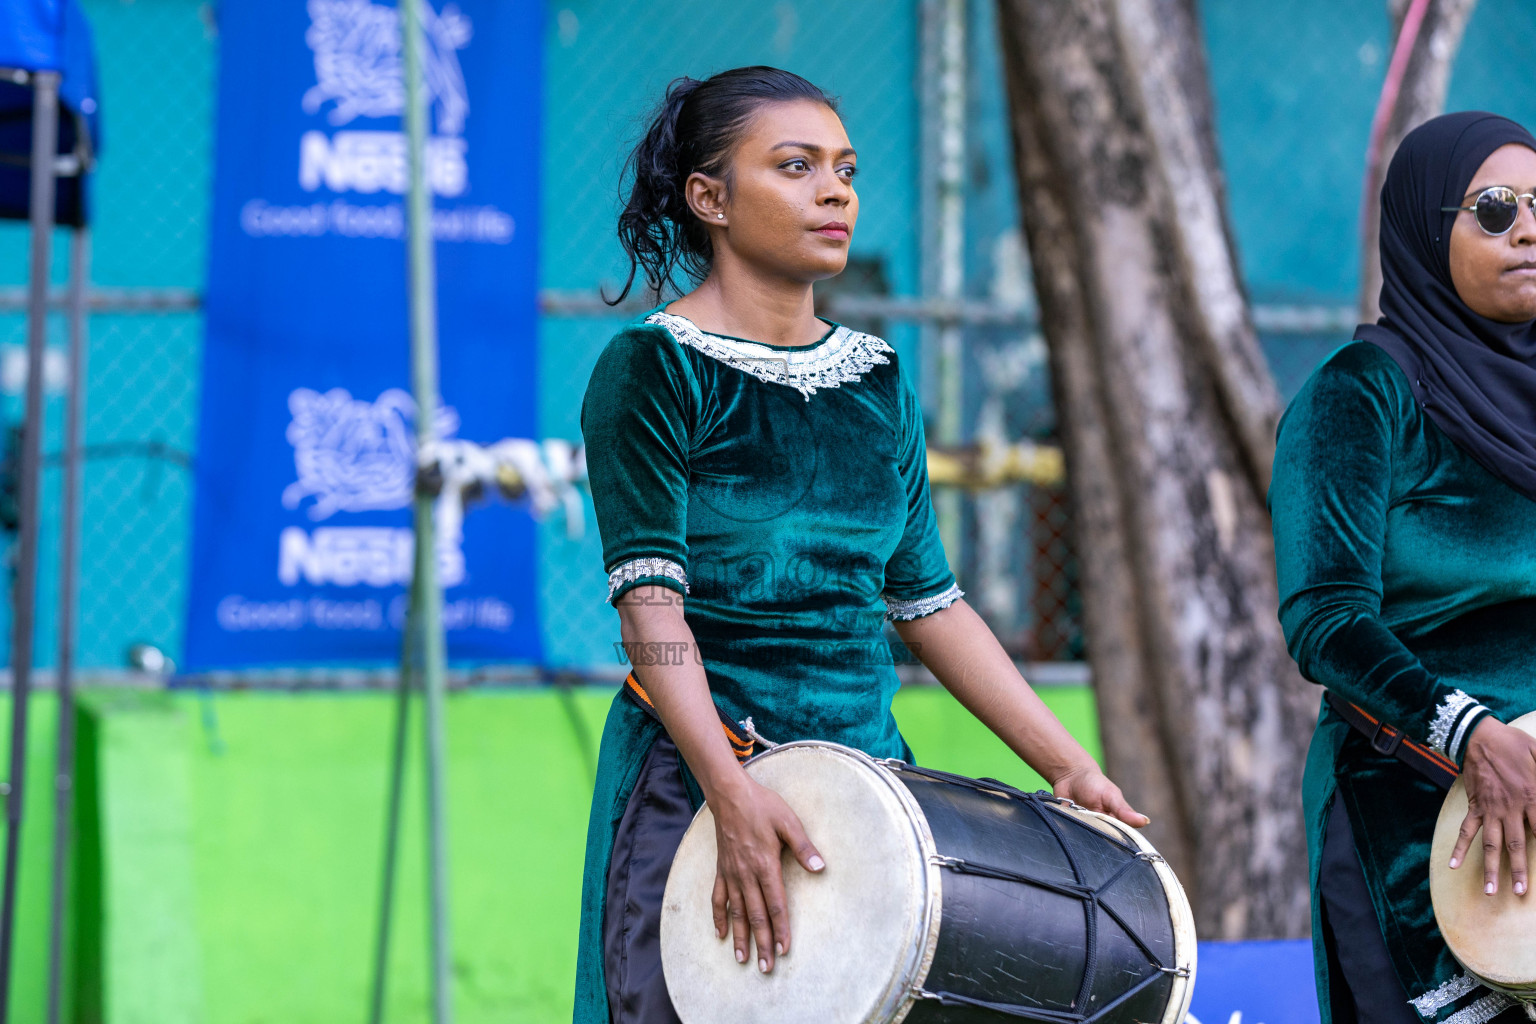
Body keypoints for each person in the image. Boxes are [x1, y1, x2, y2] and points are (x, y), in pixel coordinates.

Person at [573, 66, 1147, 1024]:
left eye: (844, 169)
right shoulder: (652, 370)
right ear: (709, 199)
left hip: (871, 795)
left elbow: (931, 605)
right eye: (795, 168)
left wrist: (1068, 764)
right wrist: (730, 791)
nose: (835, 191)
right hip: (697, 790)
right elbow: (652, 615)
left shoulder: (875, 376)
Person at [1270, 111, 1536, 1024]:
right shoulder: (1362, 392)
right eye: (1495, 209)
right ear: (1429, 227)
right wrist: (1469, 735)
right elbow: (1326, 618)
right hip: (1416, 812)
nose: (1529, 229)